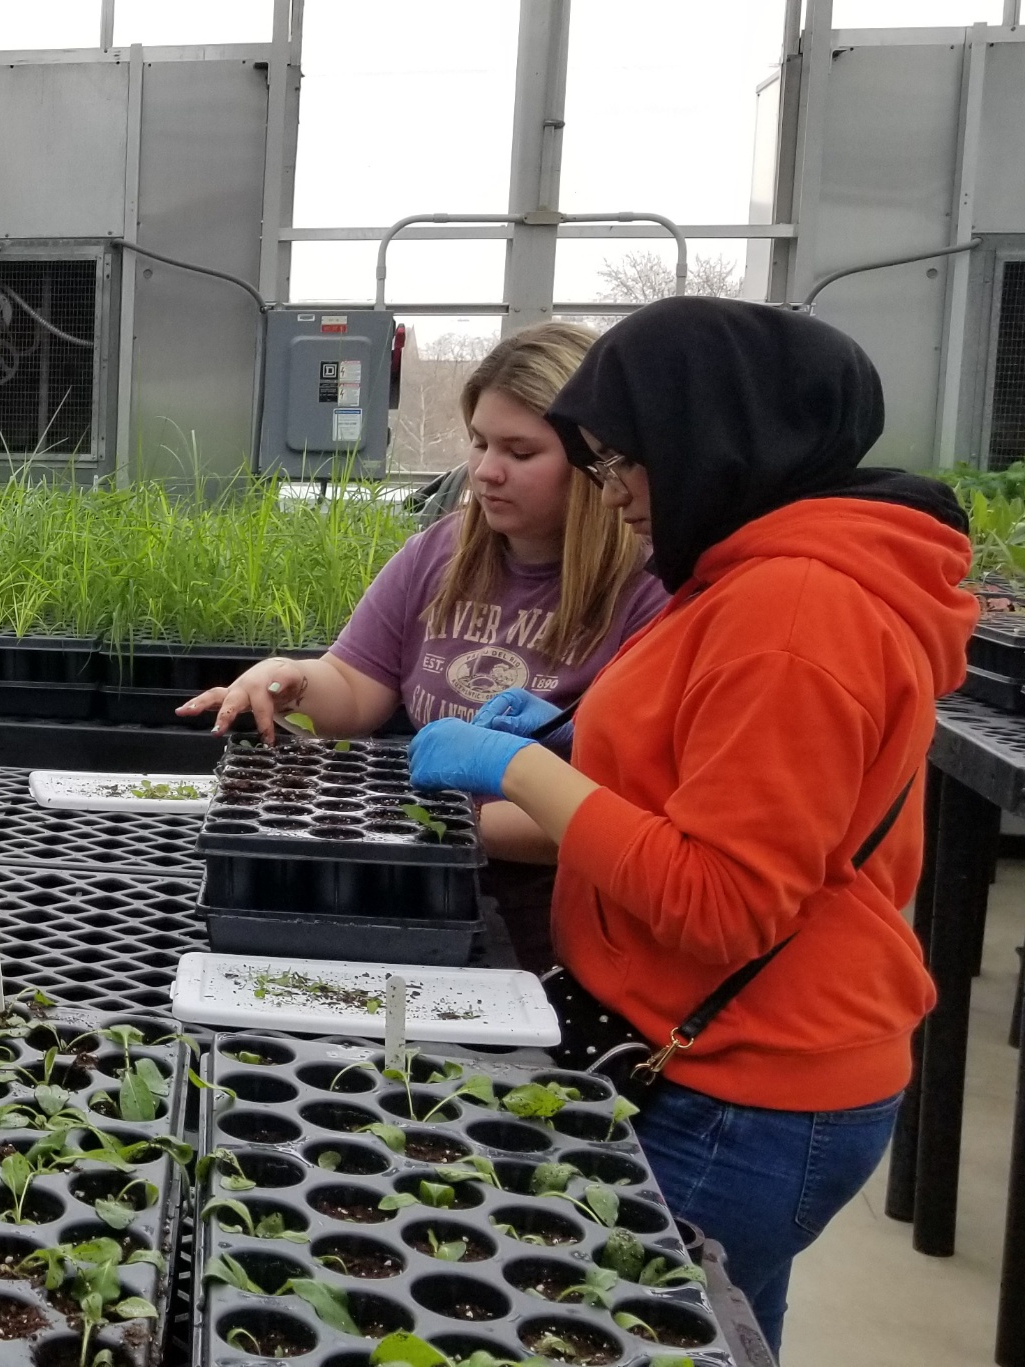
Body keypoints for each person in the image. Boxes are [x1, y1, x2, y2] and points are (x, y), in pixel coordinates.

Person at [404, 296, 974, 1353]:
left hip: (748, 1082)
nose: (610, 488)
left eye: (625, 458)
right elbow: (714, 775)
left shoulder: (794, 612)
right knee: (726, 1329)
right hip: (718, 1056)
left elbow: (719, 900)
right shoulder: (750, 573)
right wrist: (580, 740)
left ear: (714, 434)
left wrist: (518, 767)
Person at [177, 322, 669, 967]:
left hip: (554, 922)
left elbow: (619, 818)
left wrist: (416, 826)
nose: (487, 472)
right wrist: (289, 678)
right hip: (414, 886)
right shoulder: (442, 551)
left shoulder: (650, 590)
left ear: (595, 459)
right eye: (479, 442)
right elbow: (355, 689)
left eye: (520, 453)